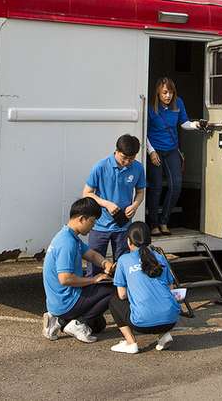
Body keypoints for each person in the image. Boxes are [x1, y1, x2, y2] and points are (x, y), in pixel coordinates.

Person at [41, 196, 116, 343]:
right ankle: (77, 323)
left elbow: (92, 255)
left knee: (98, 325)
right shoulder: (67, 243)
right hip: (66, 301)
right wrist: (94, 279)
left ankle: (58, 321)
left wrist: (106, 263)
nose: (93, 226)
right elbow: (65, 279)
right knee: (114, 289)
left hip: (59, 300)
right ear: (82, 219)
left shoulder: (68, 235)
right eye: (92, 221)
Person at [108, 221, 184, 354]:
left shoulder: (124, 260)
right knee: (160, 297)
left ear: (129, 242)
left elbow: (122, 295)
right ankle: (164, 335)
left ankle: (131, 343)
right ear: (150, 240)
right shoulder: (160, 257)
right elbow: (170, 289)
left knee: (114, 301)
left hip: (142, 324)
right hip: (171, 320)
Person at [145, 77, 204, 235]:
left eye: (171, 92)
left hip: (172, 150)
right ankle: (153, 224)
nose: (168, 96)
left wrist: (197, 125)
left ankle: (164, 221)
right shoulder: (150, 107)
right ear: (158, 92)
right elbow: (143, 131)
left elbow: (184, 123)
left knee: (176, 186)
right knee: (156, 187)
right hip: (155, 150)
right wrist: (151, 152)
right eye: (164, 92)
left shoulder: (178, 103)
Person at [83, 134, 146, 263]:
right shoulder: (100, 167)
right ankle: (94, 284)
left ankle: (119, 284)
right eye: (124, 158)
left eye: (132, 158)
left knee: (122, 264)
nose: (127, 162)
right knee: (95, 266)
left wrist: (135, 205)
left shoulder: (138, 168)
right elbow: (87, 193)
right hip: (99, 225)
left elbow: (140, 192)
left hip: (123, 225)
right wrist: (106, 204)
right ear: (116, 151)